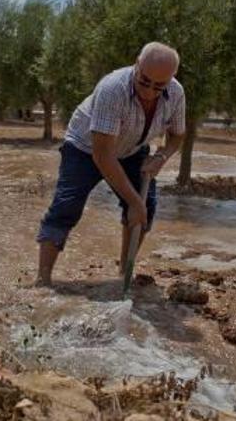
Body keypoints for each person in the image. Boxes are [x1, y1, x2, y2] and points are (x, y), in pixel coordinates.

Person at [35, 42, 186, 287]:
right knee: (66, 206)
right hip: (85, 148)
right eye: (144, 81)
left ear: (171, 79)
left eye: (159, 86)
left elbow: (178, 135)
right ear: (136, 64)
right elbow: (103, 155)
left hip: (133, 148)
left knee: (146, 207)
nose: (149, 92)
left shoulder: (176, 93)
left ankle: (122, 276)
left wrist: (161, 157)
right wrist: (133, 202)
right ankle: (43, 281)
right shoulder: (112, 89)